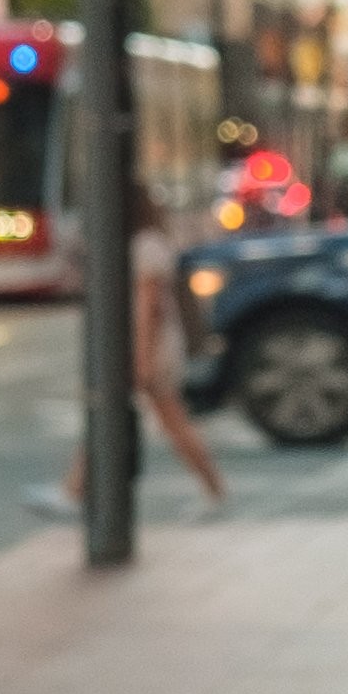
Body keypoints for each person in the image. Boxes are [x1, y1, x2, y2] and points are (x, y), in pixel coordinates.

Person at [26, 182, 230, 519]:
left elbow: (150, 309)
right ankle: (74, 489)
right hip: (149, 346)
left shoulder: (144, 247)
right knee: (156, 418)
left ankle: (74, 491)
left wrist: (141, 358)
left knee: (123, 413)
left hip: (148, 347)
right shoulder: (148, 243)